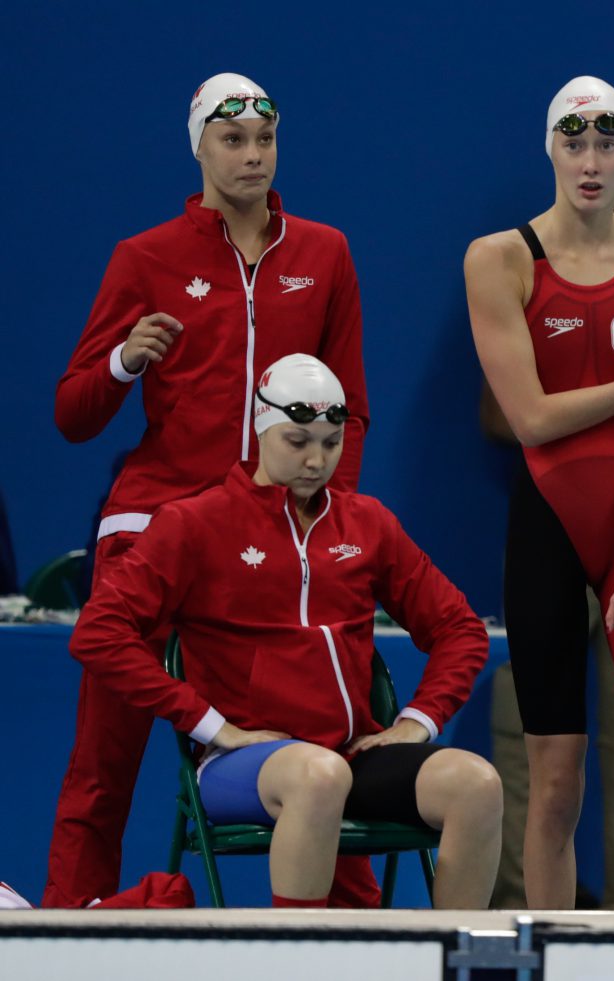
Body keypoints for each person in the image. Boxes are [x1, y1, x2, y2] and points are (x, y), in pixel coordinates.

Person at [48, 73, 372, 909]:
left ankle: (353, 929)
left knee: (322, 731)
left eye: (265, 140)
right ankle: (65, 930)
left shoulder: (325, 253)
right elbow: (72, 413)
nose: (252, 156)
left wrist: (330, 524)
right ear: (199, 146)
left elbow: (354, 409)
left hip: (273, 532)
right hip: (155, 523)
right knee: (103, 752)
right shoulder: (145, 258)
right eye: (233, 141)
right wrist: (125, 360)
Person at [69, 355, 500, 908]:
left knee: (477, 785)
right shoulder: (194, 524)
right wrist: (211, 726)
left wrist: (417, 723)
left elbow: (460, 629)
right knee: (317, 777)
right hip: (244, 764)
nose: (316, 461)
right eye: (297, 441)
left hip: (352, 757)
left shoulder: (367, 525)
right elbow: (99, 633)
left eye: (331, 442)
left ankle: (452, 964)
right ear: (260, 425)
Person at [465, 76, 614, 910]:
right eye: (575, 143)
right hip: (547, 529)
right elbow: (530, 420)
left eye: (608, 144)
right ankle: (551, 949)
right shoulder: (499, 260)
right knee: (556, 783)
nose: (592, 161)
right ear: (550, 148)